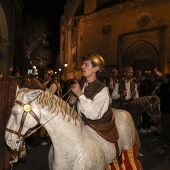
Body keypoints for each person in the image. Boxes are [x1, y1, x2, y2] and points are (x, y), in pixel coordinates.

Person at [68, 53, 118, 144]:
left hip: (97, 132)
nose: (82, 66)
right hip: (80, 128)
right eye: (83, 64)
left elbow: (95, 114)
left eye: (86, 64)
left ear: (95, 68)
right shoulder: (82, 84)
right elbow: (79, 110)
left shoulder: (103, 89)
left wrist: (80, 95)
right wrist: (73, 103)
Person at [157, 74, 170, 150]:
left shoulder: (166, 86)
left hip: (168, 109)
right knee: (164, 125)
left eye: (165, 78)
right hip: (164, 109)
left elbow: (163, 95)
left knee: (167, 126)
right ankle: (164, 138)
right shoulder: (165, 86)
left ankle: (167, 142)